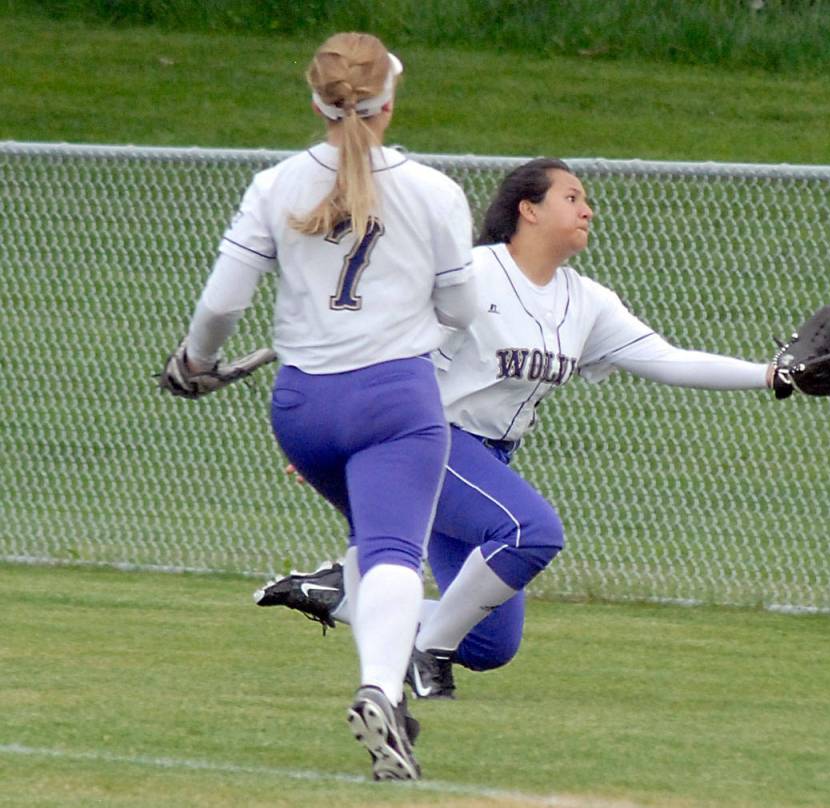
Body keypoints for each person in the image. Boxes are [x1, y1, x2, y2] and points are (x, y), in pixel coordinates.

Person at [257, 157, 788, 699]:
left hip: (488, 462)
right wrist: (346, 435)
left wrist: (772, 375)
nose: (587, 210)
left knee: (489, 645)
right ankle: (426, 653)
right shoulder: (473, 276)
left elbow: (668, 360)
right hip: (426, 441)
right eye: (572, 197)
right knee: (530, 531)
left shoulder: (585, 301)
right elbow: (391, 351)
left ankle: (342, 596)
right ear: (528, 210)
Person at [175, 32, 477, 778]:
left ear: (315, 102)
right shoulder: (434, 192)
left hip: (304, 407)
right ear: (389, 100)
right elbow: (464, 307)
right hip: (396, 400)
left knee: (373, 544)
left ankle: (388, 703)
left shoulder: (274, 186)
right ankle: (380, 691)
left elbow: (220, 306)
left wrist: (195, 364)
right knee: (394, 553)